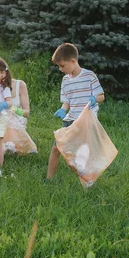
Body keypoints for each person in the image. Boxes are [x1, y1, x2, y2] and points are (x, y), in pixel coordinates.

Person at [46, 43, 105, 180]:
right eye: (58, 66)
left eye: (62, 65)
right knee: (56, 148)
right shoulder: (66, 80)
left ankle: (87, 178)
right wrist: (62, 109)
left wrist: (94, 99)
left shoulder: (89, 76)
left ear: (73, 61)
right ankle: (48, 179)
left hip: (85, 121)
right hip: (70, 120)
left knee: (77, 154)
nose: (60, 69)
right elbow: (67, 101)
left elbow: (101, 96)